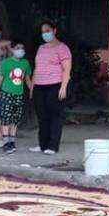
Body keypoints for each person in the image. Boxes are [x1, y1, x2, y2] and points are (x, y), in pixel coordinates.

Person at [33, 21, 72, 155]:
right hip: (39, 85)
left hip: (54, 85)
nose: (45, 34)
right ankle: (42, 144)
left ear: (54, 31)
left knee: (55, 116)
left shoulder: (62, 48)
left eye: (47, 30)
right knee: (42, 116)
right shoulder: (41, 48)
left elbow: (67, 68)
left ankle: (53, 145)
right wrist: (32, 87)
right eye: (43, 31)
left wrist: (63, 87)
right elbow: (37, 67)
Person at [0, 42, 33, 154]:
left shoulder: (25, 63)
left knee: (15, 119)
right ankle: (6, 142)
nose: (20, 50)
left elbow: (27, 79)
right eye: (18, 48)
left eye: (22, 48)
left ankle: (12, 141)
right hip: (6, 93)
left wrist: (32, 90)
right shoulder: (6, 63)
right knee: (6, 118)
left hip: (18, 94)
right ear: (13, 49)